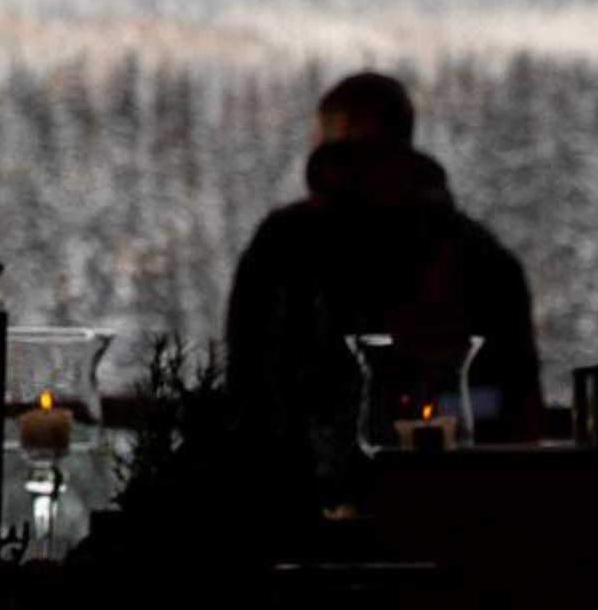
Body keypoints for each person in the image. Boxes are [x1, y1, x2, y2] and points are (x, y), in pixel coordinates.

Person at [224, 72, 546, 466]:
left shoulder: (284, 246)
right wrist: (451, 412)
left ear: (330, 138)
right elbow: (515, 407)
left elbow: (246, 388)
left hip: (302, 489)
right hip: (455, 485)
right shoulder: (481, 257)